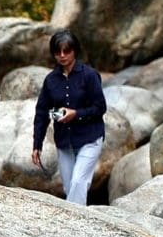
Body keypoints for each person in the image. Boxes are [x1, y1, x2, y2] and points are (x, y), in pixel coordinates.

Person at [32, 29, 107, 206]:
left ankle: (75, 227)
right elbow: (42, 113)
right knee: (68, 188)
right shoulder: (50, 80)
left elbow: (100, 107)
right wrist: (37, 144)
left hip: (90, 138)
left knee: (78, 182)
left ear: (75, 51)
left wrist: (76, 114)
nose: (62, 56)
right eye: (58, 52)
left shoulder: (89, 75)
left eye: (67, 51)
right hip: (64, 140)